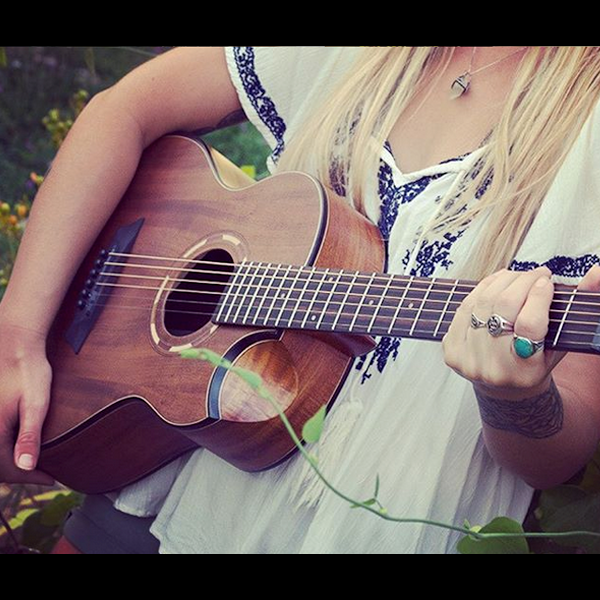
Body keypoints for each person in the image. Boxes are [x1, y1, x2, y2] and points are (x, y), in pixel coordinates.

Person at [1, 46, 600, 554]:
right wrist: (18, 335)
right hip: (170, 480)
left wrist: (512, 396)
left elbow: (554, 457)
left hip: (383, 527)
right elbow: (123, 110)